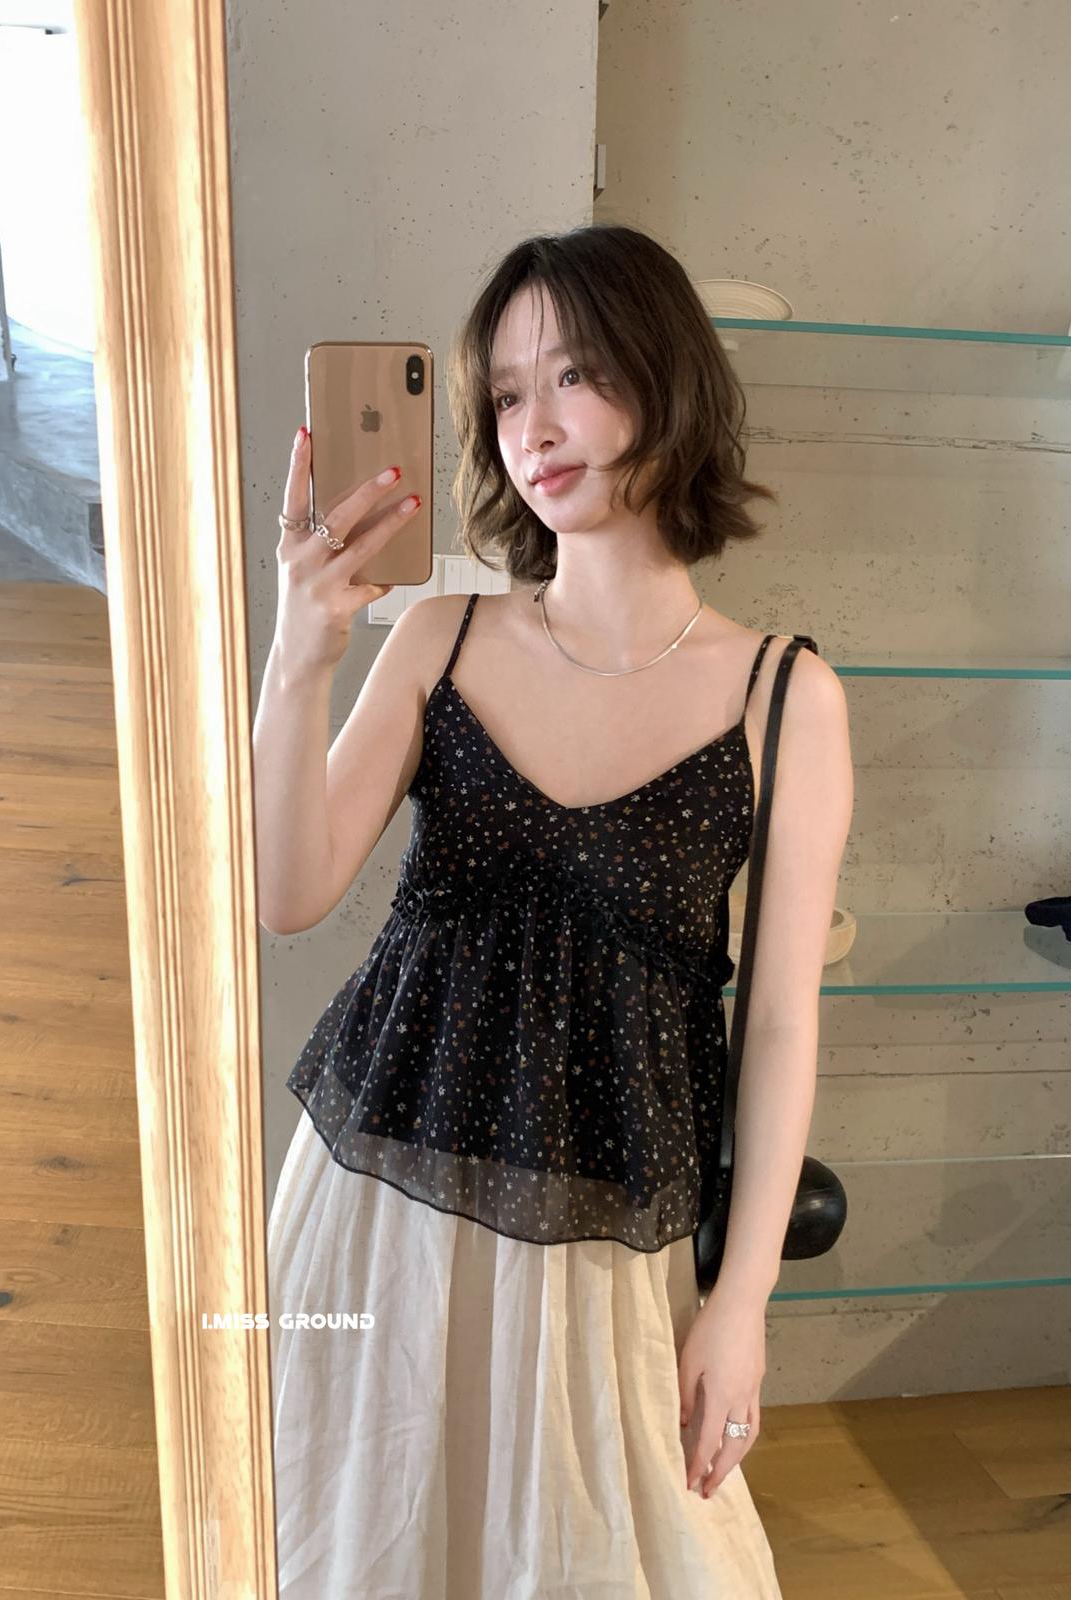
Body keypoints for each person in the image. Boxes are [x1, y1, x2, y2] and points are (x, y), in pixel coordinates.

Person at [256, 222, 854, 1599]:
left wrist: (744, 1306)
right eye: (508, 393)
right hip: (382, 1193)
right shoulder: (443, 635)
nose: (534, 427)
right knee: (363, 1538)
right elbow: (290, 893)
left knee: (596, 1554)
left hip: (605, 1235)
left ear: (666, 378)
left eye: (576, 374)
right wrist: (300, 652)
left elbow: (778, 1025)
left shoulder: (782, 698)